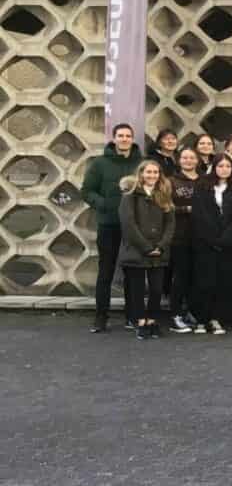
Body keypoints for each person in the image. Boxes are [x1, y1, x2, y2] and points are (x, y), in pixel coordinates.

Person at [82, 122, 142, 333]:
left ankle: (132, 316)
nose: (124, 139)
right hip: (109, 225)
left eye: (128, 136)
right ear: (114, 138)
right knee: (105, 271)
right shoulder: (100, 164)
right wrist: (104, 204)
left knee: (133, 274)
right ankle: (101, 317)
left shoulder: (141, 163)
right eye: (121, 136)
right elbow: (87, 191)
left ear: (132, 139)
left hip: (135, 227)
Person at [118, 160, 175, 340]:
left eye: (156, 173)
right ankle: (140, 322)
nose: (152, 176)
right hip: (137, 250)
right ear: (141, 174)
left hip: (159, 251)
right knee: (137, 289)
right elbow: (128, 224)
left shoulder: (163, 195)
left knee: (157, 289)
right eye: (148, 172)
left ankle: (152, 320)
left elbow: (170, 223)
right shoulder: (130, 195)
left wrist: (161, 246)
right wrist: (146, 247)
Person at [190, 154, 232, 335]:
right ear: (214, 168)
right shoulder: (202, 187)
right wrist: (213, 238)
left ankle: (216, 319)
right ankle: (201, 319)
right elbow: (199, 215)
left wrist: (225, 238)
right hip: (206, 244)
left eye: (228, 166)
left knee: (224, 284)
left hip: (229, 245)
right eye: (221, 166)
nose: (224, 169)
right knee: (204, 283)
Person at [167, 147, 204, 333]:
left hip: (201, 236)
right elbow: (166, 206)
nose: (188, 160)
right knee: (180, 277)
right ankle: (175, 314)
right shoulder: (171, 182)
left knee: (197, 277)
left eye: (192, 158)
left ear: (197, 161)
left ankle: (192, 312)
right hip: (179, 237)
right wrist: (187, 210)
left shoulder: (205, 181)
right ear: (179, 160)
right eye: (185, 157)